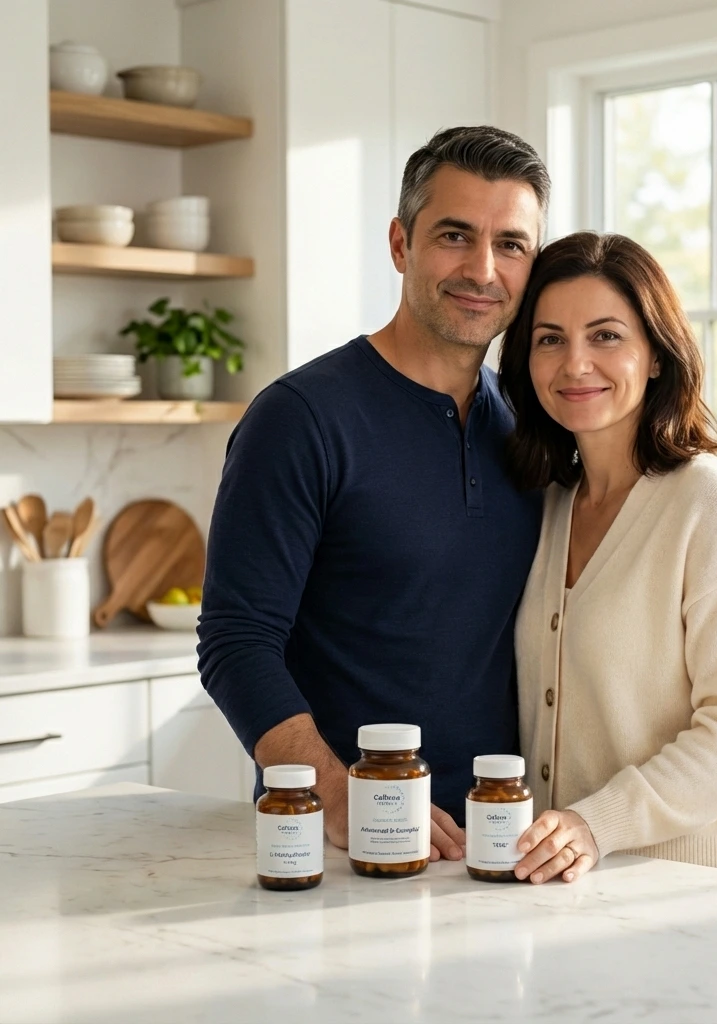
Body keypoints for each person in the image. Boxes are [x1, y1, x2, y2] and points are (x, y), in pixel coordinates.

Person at [198, 126, 550, 860]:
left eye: (511, 244)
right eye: (455, 235)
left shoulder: (528, 428)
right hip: (339, 846)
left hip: (498, 847)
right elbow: (236, 643)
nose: (482, 269)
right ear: (400, 245)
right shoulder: (300, 419)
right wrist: (340, 796)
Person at [497, 231, 717, 884]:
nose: (575, 364)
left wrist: (597, 824)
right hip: (560, 896)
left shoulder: (710, 504)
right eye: (550, 338)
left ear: (655, 354)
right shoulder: (546, 507)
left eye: (606, 336)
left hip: (686, 901)